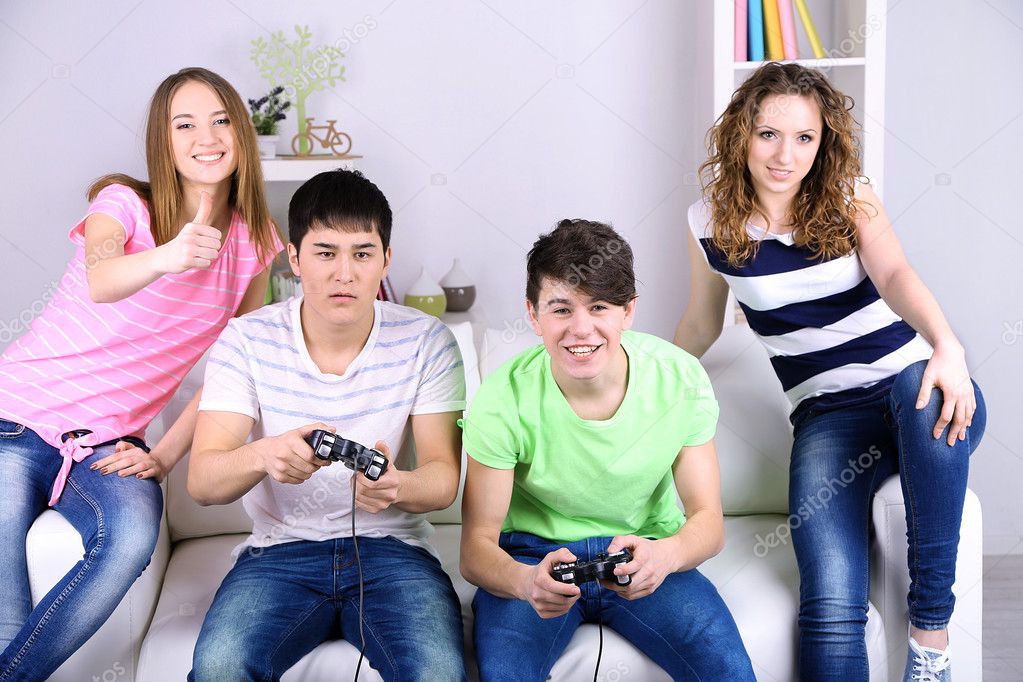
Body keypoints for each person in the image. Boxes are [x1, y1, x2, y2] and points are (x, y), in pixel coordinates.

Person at [673, 62, 985, 682]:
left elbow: (894, 275)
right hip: (828, 416)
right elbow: (702, 324)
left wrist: (948, 347)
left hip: (916, 390)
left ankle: (931, 637)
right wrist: (645, 383)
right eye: (768, 134)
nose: (785, 155)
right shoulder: (709, 225)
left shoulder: (849, 197)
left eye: (804, 138)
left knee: (913, 389)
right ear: (741, 134)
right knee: (829, 606)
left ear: (823, 143)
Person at [0, 67, 281, 680]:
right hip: (15, 416)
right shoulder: (121, 204)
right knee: (2, 591)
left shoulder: (255, 242)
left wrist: (166, 454)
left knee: (128, 540)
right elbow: (103, 278)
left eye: (221, 119)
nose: (205, 136)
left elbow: (239, 365)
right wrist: (169, 255)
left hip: (110, 444)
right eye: (185, 124)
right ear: (165, 140)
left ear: (240, 132)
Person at [187, 168, 467, 682]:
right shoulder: (246, 340)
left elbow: (443, 479)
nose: (345, 273)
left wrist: (398, 485)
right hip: (279, 554)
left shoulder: (426, 340)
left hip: (393, 553)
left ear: (385, 260)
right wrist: (263, 455)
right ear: (293, 259)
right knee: (220, 669)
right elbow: (202, 484)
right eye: (325, 252)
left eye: (362, 254)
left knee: (437, 674)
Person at [459, 219, 756, 681]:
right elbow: (476, 549)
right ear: (533, 315)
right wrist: (525, 581)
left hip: (645, 548)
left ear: (628, 312)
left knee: (729, 672)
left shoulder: (679, 378)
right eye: (560, 309)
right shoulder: (501, 398)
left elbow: (708, 522)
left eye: (599, 307)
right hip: (535, 558)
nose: (581, 330)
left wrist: (666, 557)